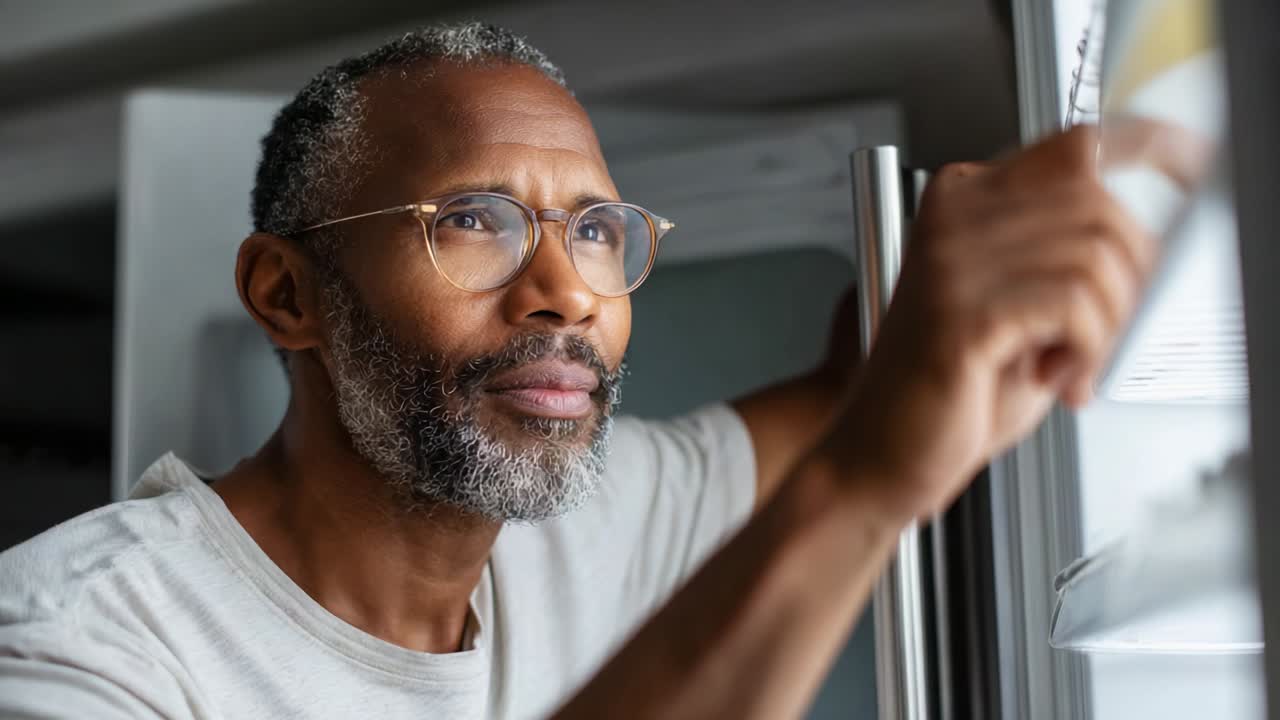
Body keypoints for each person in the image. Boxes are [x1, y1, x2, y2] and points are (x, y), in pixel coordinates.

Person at [0, 22, 1153, 720]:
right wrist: (859, 486)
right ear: (287, 294)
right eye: (473, 220)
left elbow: (868, 387)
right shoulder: (78, 649)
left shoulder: (595, 520)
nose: (564, 291)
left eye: (596, 229)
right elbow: (864, 442)